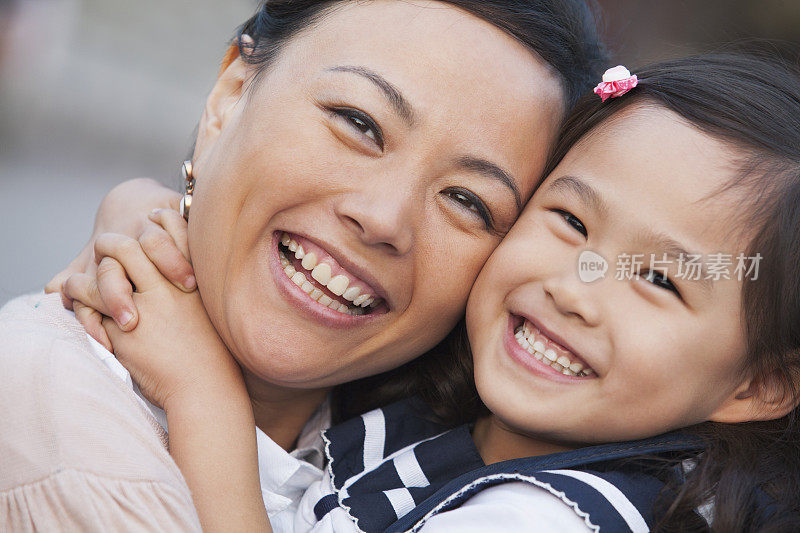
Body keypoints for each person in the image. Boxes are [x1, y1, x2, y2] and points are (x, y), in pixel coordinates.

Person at [72, 53, 800, 531]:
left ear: (760, 382)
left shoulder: (551, 518)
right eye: (571, 219)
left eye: (659, 279)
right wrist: (147, 219)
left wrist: (202, 392)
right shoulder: (449, 405)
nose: (576, 287)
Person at [0, 0, 605, 531]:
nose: (384, 218)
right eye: (359, 123)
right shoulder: (65, 436)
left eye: (468, 201)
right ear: (231, 96)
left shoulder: (449, 478)